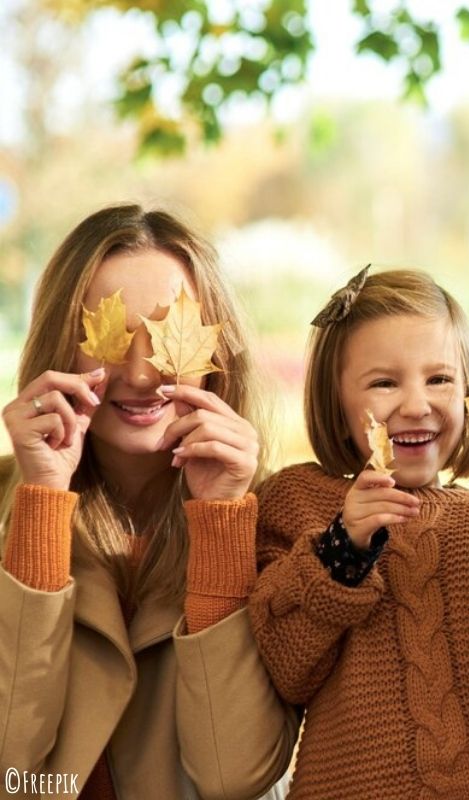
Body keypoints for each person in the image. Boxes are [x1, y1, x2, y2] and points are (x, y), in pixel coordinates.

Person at [0, 204, 297, 799]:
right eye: (107, 334)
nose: (140, 373)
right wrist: (41, 504)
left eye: (169, 334)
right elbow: (11, 760)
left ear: (218, 353)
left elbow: (234, 776)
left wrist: (219, 525)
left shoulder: (271, 515)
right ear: (62, 343)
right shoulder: (13, 499)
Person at [249, 268, 469, 799]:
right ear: (335, 405)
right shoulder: (297, 503)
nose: (416, 404)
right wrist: (343, 550)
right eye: (384, 382)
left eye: (439, 379)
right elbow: (287, 670)